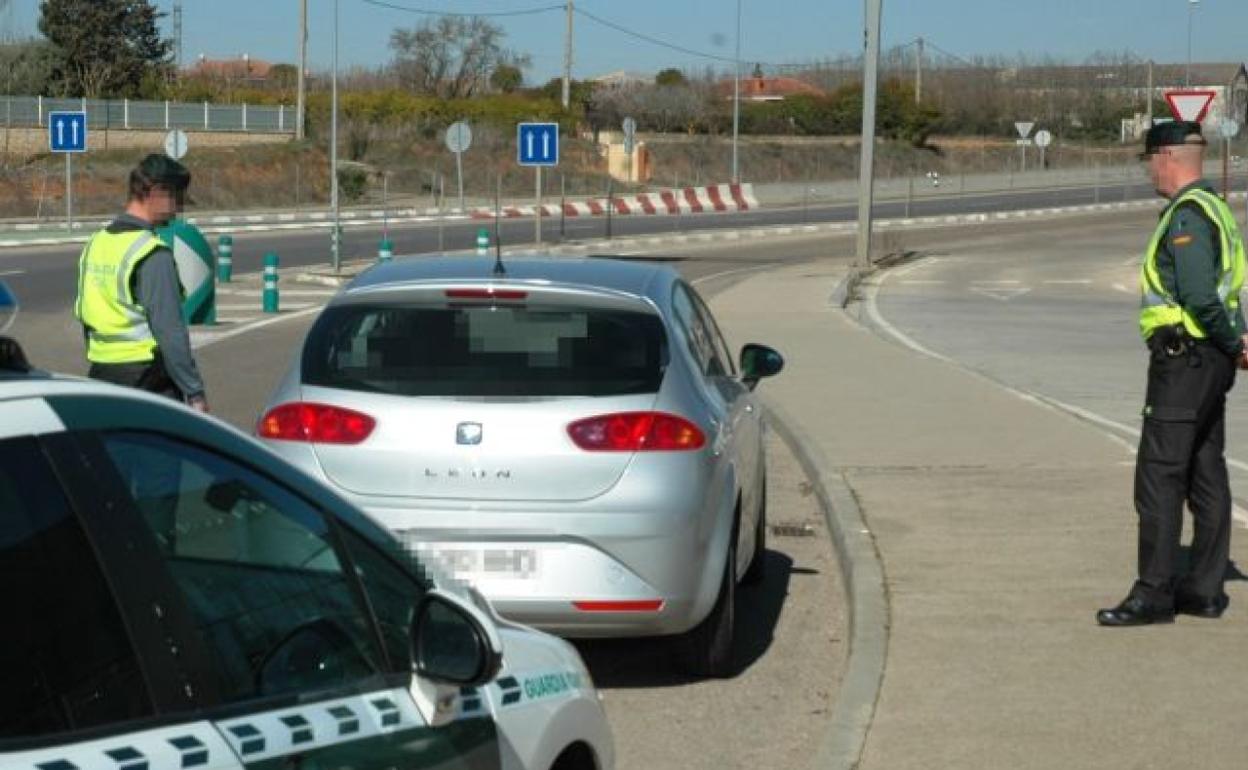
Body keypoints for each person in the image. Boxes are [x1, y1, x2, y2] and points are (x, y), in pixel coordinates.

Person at [1097, 121, 1248, 627]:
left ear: (1166, 157)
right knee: (1205, 471)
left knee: (1160, 476)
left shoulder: (1186, 216)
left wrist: (1229, 339)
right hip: (1211, 364)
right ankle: (1204, 591)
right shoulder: (1217, 210)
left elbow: (1203, 296)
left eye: (1148, 160)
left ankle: (1154, 593)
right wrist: (1238, 342)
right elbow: (1231, 292)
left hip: (1184, 364)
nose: (1147, 171)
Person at [74, 153, 209, 413]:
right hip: (148, 380)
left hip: (101, 374)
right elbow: (170, 332)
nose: (179, 208)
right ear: (157, 192)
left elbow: (87, 315)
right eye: (177, 197)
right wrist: (194, 392)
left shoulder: (96, 243)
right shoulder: (151, 253)